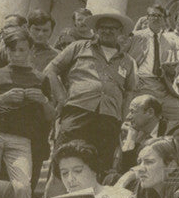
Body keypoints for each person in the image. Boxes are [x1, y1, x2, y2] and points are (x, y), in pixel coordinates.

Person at [45, 10, 138, 178]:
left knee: (99, 169)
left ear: (120, 32)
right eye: (103, 27)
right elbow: (51, 70)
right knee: (63, 165)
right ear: (96, 29)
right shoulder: (78, 47)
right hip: (77, 111)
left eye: (113, 28)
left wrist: (123, 120)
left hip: (109, 118)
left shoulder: (128, 61)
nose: (107, 31)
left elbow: (129, 91)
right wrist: (61, 97)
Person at [0, 27, 54, 198]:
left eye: (22, 50)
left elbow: (51, 117)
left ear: (31, 51)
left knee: (22, 187)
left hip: (21, 139)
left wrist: (43, 101)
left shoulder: (41, 79)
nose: (16, 54)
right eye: (12, 49)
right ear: (6, 50)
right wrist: (1, 99)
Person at [125, 5, 179, 128]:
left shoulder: (169, 42)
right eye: (153, 15)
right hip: (141, 83)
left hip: (161, 86)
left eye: (160, 16)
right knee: (142, 120)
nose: (156, 18)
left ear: (164, 20)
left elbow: (174, 69)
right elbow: (124, 58)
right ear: (147, 18)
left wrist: (171, 71)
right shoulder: (136, 36)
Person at [114, 94, 179, 176]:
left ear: (150, 112)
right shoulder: (137, 134)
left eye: (132, 112)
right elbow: (123, 170)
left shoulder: (176, 131)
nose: (128, 117)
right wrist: (130, 138)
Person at [0, 9, 59, 73]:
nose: (40, 34)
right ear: (28, 28)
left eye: (45, 31)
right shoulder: (8, 49)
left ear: (51, 32)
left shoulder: (56, 57)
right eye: (37, 29)